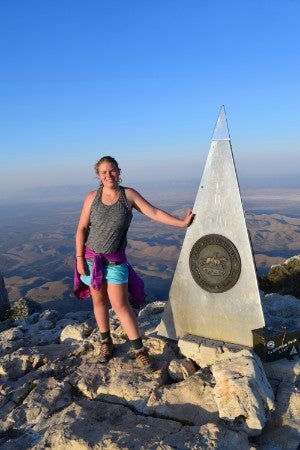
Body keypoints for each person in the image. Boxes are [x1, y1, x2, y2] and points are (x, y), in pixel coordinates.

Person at [74, 156, 194, 371]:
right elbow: (82, 228)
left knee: (120, 306)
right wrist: (80, 258)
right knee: (99, 303)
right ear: (98, 176)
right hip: (91, 259)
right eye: (103, 172)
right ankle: (105, 342)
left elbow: (154, 212)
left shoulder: (128, 195)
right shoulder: (92, 197)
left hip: (115, 261)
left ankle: (139, 350)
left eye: (112, 171)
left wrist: (182, 223)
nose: (108, 175)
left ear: (119, 172)